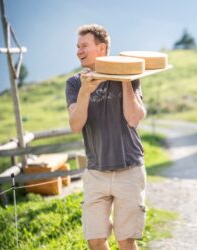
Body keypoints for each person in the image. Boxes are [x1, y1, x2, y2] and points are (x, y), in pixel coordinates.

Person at [65, 24, 147, 250]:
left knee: (126, 240)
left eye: (84, 46)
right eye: (77, 47)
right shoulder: (73, 83)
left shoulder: (129, 76)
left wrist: (126, 80)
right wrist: (84, 92)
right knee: (95, 239)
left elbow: (134, 118)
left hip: (128, 169)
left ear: (101, 49)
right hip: (96, 172)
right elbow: (75, 125)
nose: (79, 51)